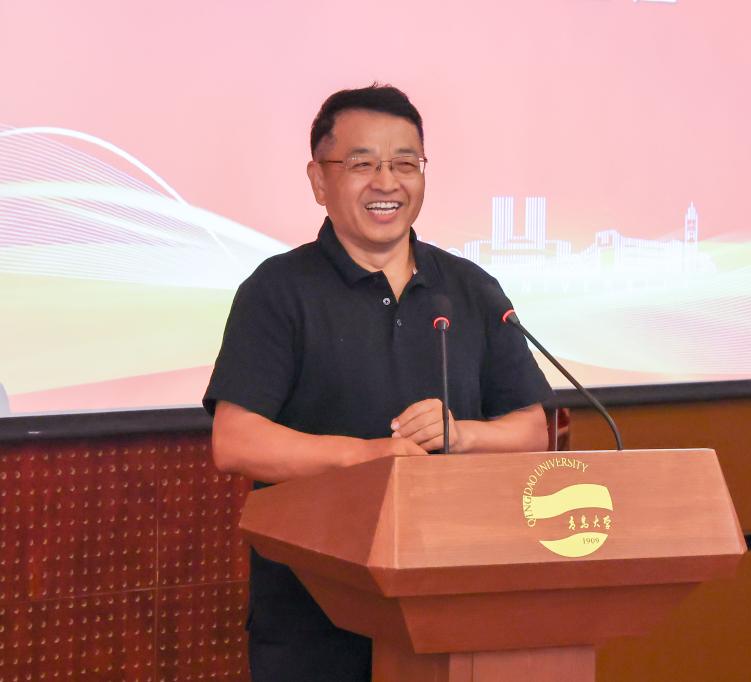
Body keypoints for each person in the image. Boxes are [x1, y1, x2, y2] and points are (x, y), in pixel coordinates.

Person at [202, 84, 552, 681]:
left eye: (405, 164)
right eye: (362, 164)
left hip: (454, 607)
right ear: (319, 180)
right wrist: (365, 457)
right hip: (314, 621)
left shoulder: (470, 288)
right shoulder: (277, 290)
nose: (387, 183)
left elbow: (533, 431)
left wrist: (462, 436)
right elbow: (235, 441)